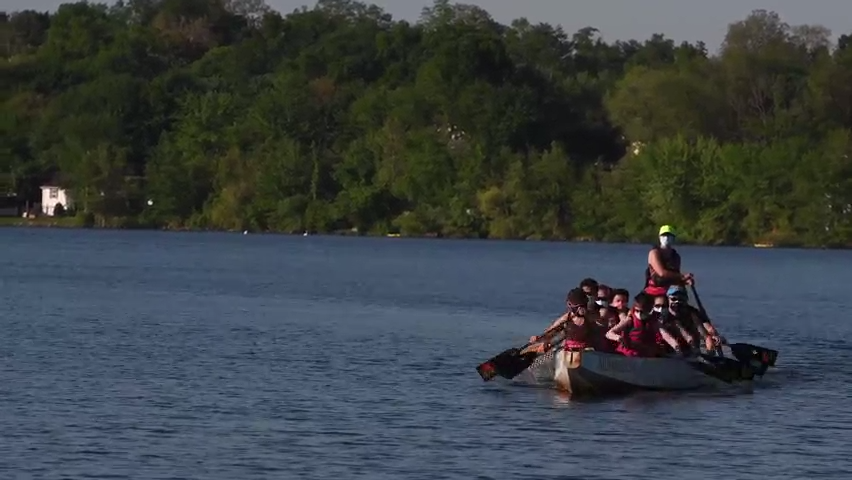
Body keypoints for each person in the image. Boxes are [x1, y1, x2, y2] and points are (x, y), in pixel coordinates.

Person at [606, 292, 683, 357]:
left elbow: (666, 335)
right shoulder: (629, 320)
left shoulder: (654, 321)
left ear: (650, 309)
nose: (639, 314)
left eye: (643, 312)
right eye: (637, 311)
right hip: (629, 355)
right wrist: (618, 338)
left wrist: (677, 347)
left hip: (646, 356)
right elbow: (609, 333)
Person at [526, 288, 597, 354]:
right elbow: (550, 332)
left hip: (586, 351)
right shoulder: (567, 318)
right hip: (568, 351)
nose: (581, 309)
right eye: (579, 307)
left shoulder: (591, 317)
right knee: (539, 349)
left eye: (582, 306)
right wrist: (538, 339)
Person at [664, 285, 724, 353]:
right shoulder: (663, 314)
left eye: (680, 299)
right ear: (667, 299)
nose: (677, 302)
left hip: (690, 349)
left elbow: (705, 336)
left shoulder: (692, 314)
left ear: (686, 300)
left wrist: (710, 351)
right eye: (673, 299)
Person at [644, 225, 693, 297]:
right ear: (659, 238)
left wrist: (686, 281)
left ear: (673, 238)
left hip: (670, 291)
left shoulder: (676, 256)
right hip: (654, 290)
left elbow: (675, 275)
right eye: (663, 236)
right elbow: (661, 273)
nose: (666, 238)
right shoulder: (654, 253)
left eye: (669, 236)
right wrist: (683, 276)